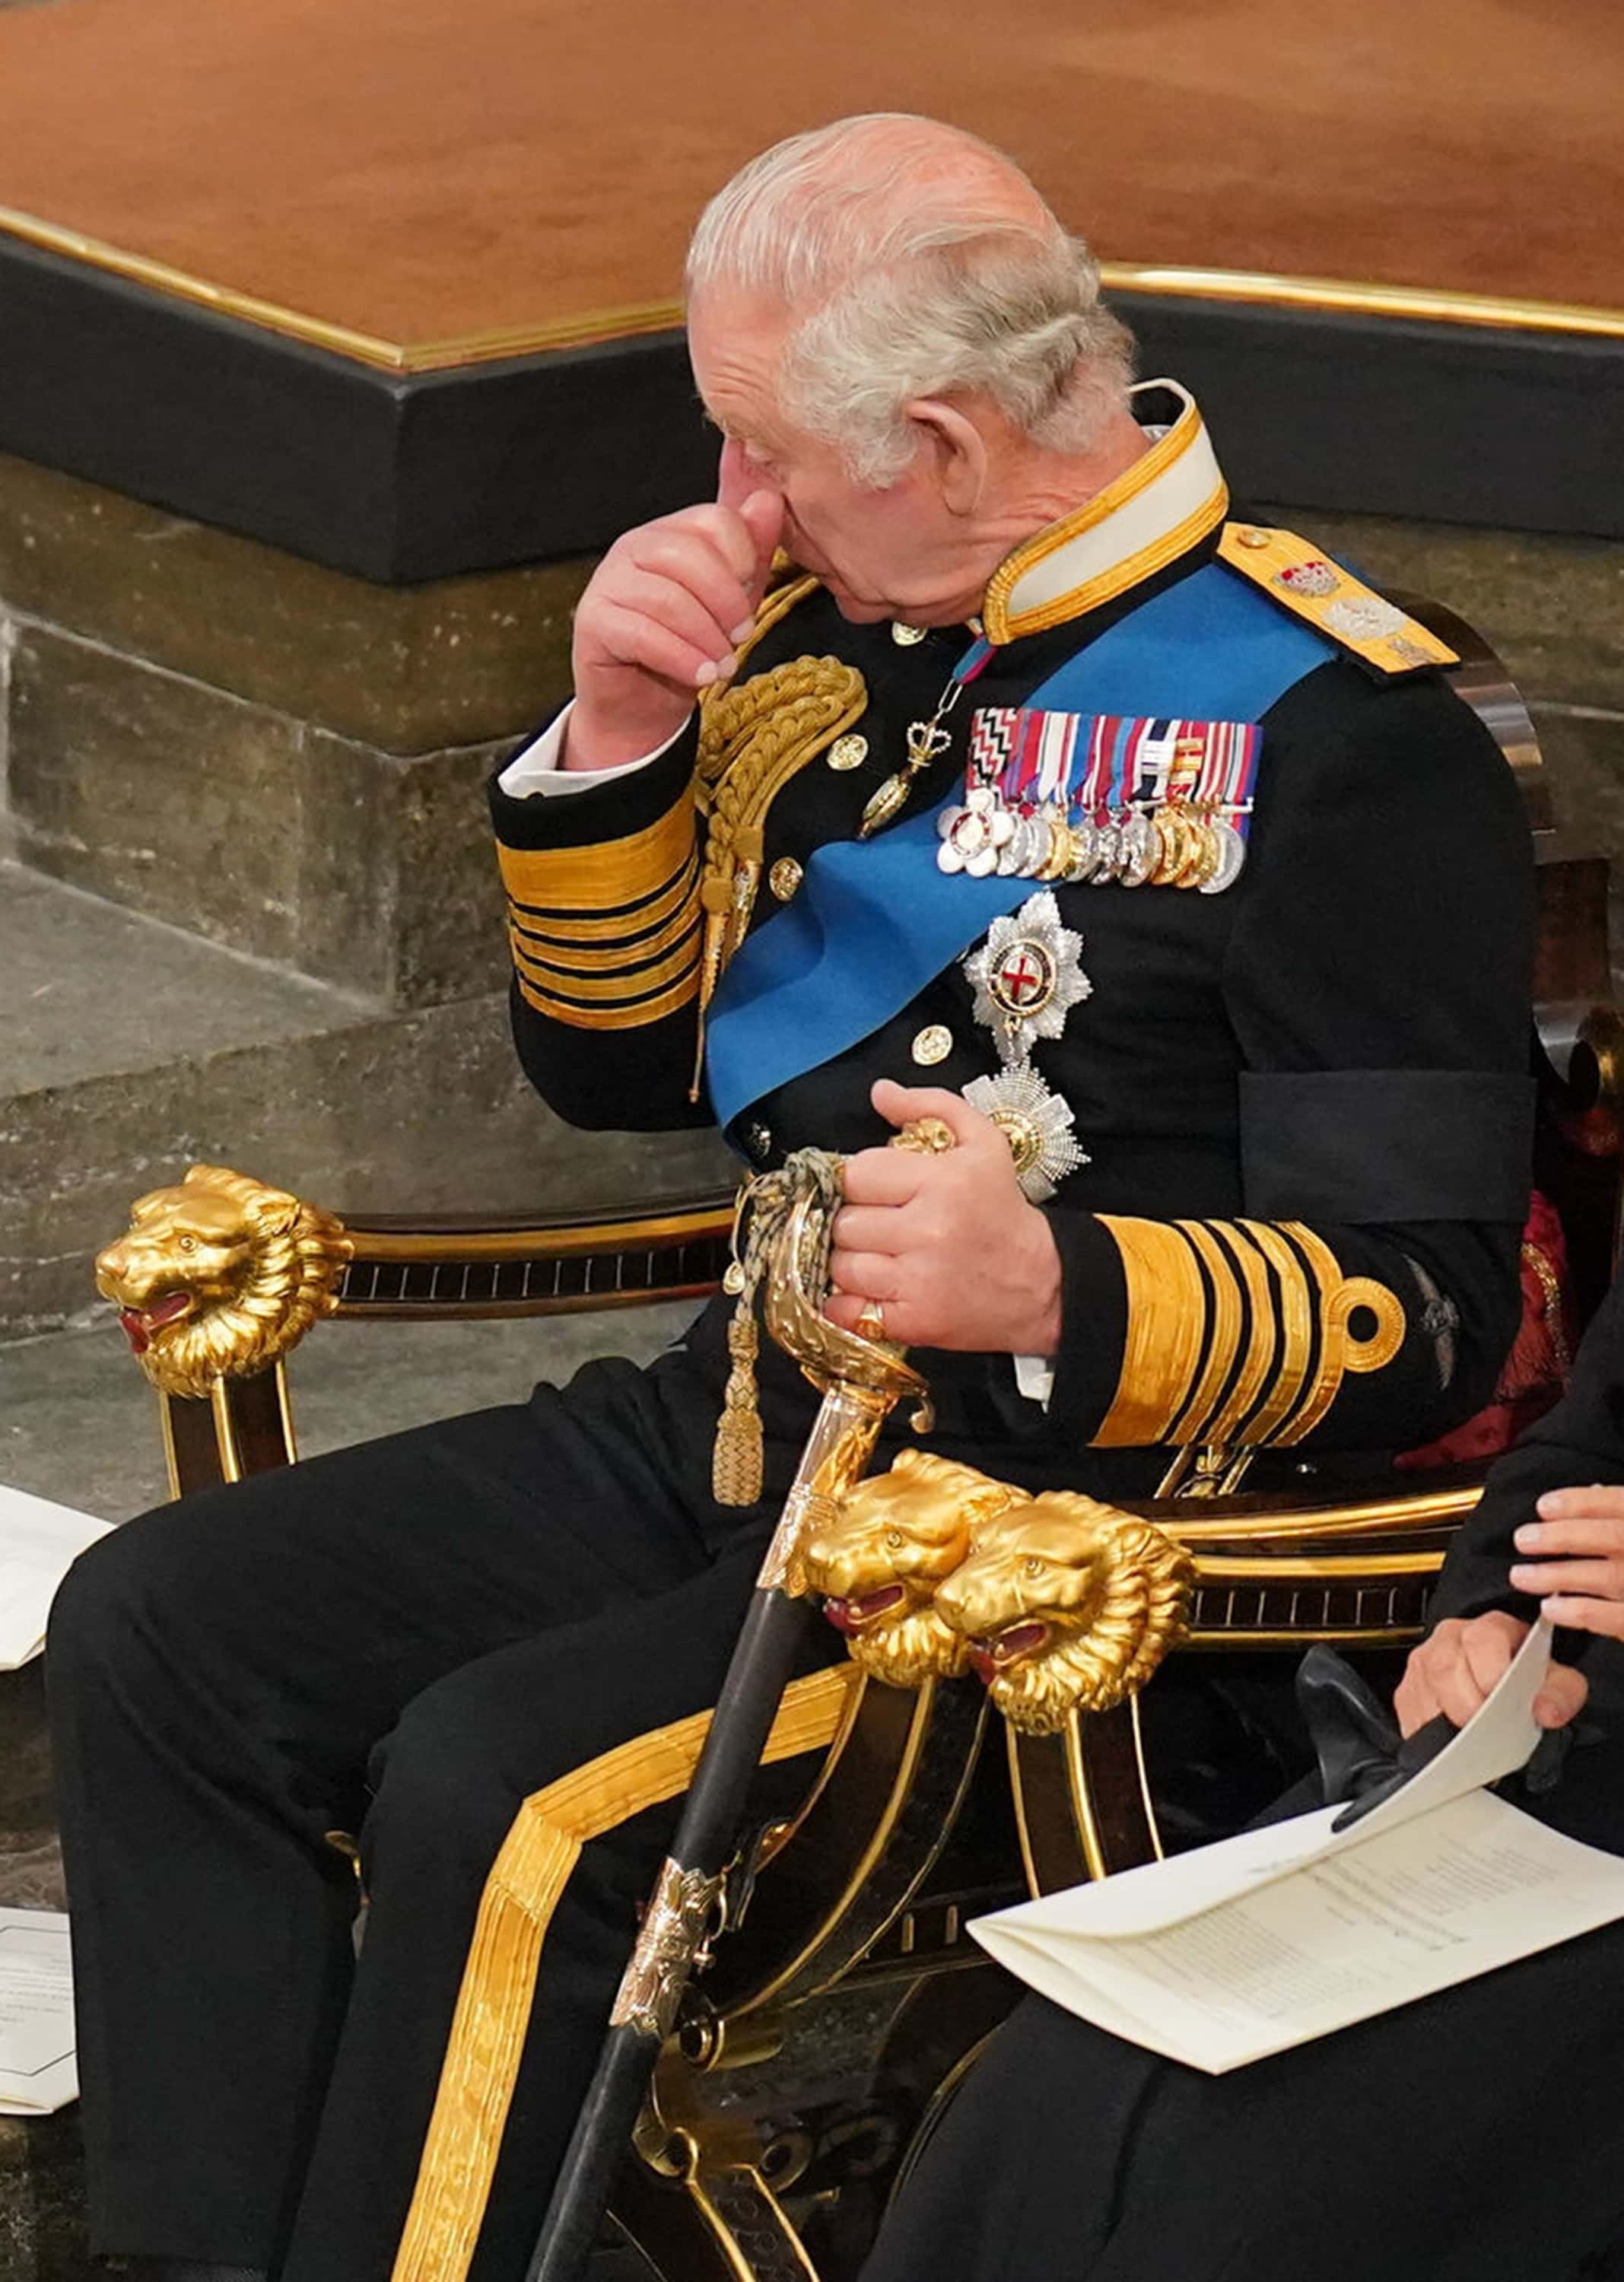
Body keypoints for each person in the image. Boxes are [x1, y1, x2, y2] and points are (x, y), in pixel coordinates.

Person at [46, 113, 1536, 2282]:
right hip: (741, 1421)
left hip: (1028, 1558)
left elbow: (1441, 1310)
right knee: (167, 1622)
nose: (736, 503)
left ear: (935, 439)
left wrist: (1062, 1287)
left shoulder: (1338, 733)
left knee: (505, 1791)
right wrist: (618, 734)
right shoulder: (841, 645)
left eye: (761, 449)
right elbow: (621, 1069)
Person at [857, 1278, 1624, 2282]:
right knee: (1068, 2092)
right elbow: (1588, 1448)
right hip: (1567, 1739)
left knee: (1271, 2200)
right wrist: (1481, 1621)